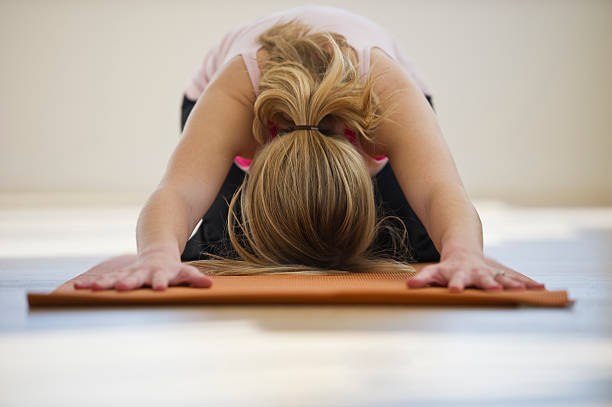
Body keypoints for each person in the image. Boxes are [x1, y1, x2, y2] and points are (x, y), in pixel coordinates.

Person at [74, 5, 545, 293]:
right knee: (215, 250)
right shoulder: (235, 99)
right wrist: (157, 252)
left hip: (371, 96)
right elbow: (177, 192)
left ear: (361, 153)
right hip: (235, 98)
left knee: (420, 245)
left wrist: (464, 251)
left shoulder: (385, 96)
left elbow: (442, 188)